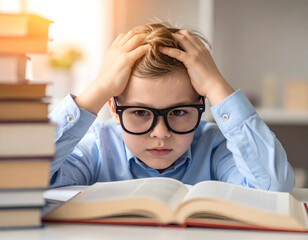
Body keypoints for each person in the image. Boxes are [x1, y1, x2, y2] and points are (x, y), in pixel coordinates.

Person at [49, 23, 295, 191]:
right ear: (114, 110)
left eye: (178, 112)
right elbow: (26, 180)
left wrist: (216, 84)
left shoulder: (215, 147)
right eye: (140, 112)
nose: (160, 133)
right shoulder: (97, 148)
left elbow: (272, 187)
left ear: (201, 106)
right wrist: (98, 90)